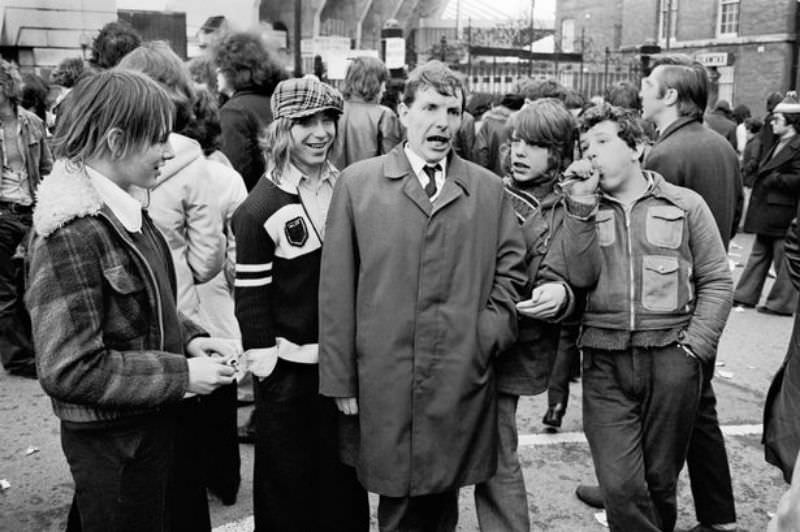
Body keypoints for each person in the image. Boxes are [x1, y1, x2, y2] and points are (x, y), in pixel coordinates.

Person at [24, 69, 236, 532]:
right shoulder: (71, 233)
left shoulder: (123, 208)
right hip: (116, 443)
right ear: (117, 141)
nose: (169, 150)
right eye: (158, 138)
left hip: (148, 429)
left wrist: (190, 338)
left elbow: (146, 303)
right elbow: (69, 368)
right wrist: (182, 373)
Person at [319, 60, 527, 531]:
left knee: (442, 494)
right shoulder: (358, 184)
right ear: (403, 111)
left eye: (452, 111)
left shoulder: (487, 189)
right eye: (430, 108)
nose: (442, 123)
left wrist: (487, 333)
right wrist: (340, 378)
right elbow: (335, 288)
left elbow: (512, 269)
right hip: (384, 374)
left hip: (459, 370)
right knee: (398, 498)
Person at [574, 103, 733, 532]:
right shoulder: (582, 208)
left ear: (637, 148)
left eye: (602, 142)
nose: (591, 154)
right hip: (604, 360)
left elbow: (717, 280)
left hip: (670, 359)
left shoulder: (686, 204)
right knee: (620, 485)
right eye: (585, 146)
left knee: (660, 482)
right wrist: (577, 208)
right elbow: (564, 272)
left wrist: (694, 349)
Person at [232, 77, 369, 532]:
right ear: (282, 128)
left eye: (328, 119)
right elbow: (251, 296)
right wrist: (267, 367)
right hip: (288, 371)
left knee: (342, 474)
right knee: (287, 481)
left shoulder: (346, 185)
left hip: (340, 363)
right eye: (305, 121)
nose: (320, 132)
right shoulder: (258, 208)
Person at [119, 41, 233, 528]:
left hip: (151, 339)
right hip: (174, 320)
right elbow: (208, 258)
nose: (164, 151)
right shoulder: (193, 167)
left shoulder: (115, 181)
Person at [473, 98, 601, 532]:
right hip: (463, 337)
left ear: (560, 152)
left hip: (512, 344)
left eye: (536, 144)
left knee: (496, 450)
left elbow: (581, 274)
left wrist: (561, 294)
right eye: (516, 141)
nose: (520, 151)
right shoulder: (487, 188)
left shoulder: (572, 205)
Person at [636, 53, 740, 532]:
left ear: (671, 95)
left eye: (649, 84)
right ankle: (717, 514)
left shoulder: (665, 155)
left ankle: (642, 499)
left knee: (666, 409)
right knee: (698, 407)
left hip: (674, 302)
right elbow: (732, 221)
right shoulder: (720, 146)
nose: (642, 90)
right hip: (706, 296)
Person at [0, 60, 52, 378]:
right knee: (5, 292)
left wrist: (47, 205)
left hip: (31, 211)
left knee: (34, 285)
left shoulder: (32, 123)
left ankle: (39, 349)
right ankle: (18, 359)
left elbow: (46, 168)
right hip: (2, 213)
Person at [734, 92, 800, 316]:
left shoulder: (795, 145)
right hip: (770, 208)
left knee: (783, 259)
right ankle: (744, 295)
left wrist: (775, 179)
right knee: (759, 253)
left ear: (791, 122)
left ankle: (781, 303)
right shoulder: (780, 142)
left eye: (777, 119)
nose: (772, 123)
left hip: (783, 210)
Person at [214, 32, 285, 191]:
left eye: (221, 66)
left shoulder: (233, 112)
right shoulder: (278, 102)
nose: (217, 72)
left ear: (236, 71)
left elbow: (234, 172)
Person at [332, 56, 401, 169]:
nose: (384, 89)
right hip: (370, 178)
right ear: (375, 83)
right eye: (383, 83)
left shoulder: (334, 110)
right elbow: (391, 164)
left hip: (335, 178)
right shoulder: (384, 115)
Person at [473, 93, 524, 176]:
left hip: (492, 175)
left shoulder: (489, 122)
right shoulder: (523, 125)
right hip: (517, 175)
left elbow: (480, 151)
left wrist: (482, 175)